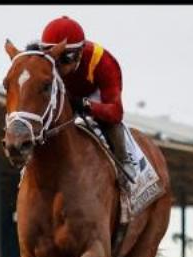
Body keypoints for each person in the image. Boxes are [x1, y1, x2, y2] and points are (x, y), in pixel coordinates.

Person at [38, 16, 136, 187]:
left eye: (64, 59)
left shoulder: (104, 63)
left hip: (92, 94)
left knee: (109, 121)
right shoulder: (46, 64)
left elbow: (116, 112)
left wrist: (85, 105)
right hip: (66, 94)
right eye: (52, 57)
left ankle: (124, 161)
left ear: (79, 53)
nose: (57, 67)